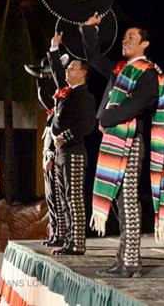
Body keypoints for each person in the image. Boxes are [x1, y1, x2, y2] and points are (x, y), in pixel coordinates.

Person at [82, 13, 164, 278]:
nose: (125, 40)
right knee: (121, 201)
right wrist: (89, 30)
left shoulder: (148, 72)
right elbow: (94, 58)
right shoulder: (120, 70)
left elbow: (142, 101)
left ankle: (131, 261)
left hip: (131, 141)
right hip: (116, 141)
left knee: (128, 199)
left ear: (145, 44)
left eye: (131, 37)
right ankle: (124, 258)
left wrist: (107, 117)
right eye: (124, 37)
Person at [47, 32, 96, 255]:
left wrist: (63, 137)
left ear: (84, 73)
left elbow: (87, 126)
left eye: (73, 68)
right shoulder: (67, 92)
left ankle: (77, 244)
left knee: (74, 199)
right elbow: (57, 71)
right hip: (61, 153)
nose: (68, 70)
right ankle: (67, 240)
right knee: (63, 199)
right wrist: (54, 47)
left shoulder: (84, 96)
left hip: (74, 152)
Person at [36, 75, 67, 247]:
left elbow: (58, 138)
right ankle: (55, 234)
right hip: (47, 157)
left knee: (57, 198)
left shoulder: (60, 113)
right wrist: (40, 77)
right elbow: (42, 95)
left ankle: (61, 235)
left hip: (53, 160)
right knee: (50, 199)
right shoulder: (53, 112)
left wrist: (52, 159)